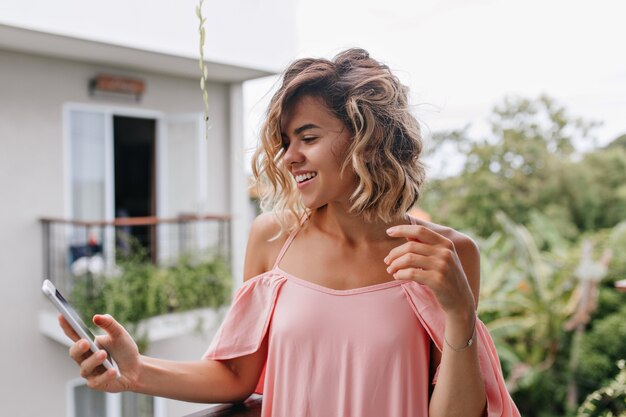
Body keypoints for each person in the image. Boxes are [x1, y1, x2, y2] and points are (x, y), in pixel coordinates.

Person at [59, 48, 520, 417]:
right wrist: (137, 372)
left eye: (308, 138)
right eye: (284, 142)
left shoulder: (445, 254)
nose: (288, 158)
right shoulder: (272, 241)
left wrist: (460, 314)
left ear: (367, 138)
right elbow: (236, 377)